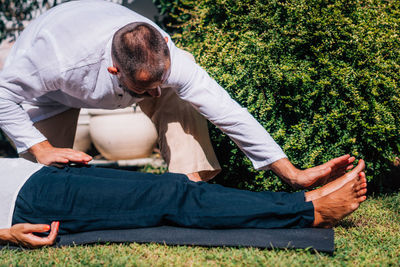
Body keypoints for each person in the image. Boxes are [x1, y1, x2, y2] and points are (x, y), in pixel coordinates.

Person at [0, 0, 354, 185]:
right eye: (144, 86)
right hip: (52, 96)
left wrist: (291, 173)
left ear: (166, 49)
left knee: (180, 99)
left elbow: (226, 111)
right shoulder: (55, 62)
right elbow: (2, 95)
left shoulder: (170, 62)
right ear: (115, 70)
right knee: (39, 185)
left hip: (126, 63)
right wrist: (41, 148)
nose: (154, 91)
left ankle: (184, 188)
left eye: (159, 79)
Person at [0, 158, 367, 248]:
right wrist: (5, 232)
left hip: (34, 176)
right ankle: (305, 212)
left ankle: (298, 200)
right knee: (172, 196)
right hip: (28, 202)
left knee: (172, 187)